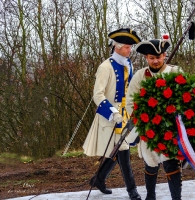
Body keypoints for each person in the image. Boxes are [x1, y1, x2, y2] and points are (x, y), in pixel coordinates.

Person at [82, 28, 142, 200]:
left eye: (130, 47)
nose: (130, 50)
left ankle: (98, 179)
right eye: (127, 47)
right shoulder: (105, 67)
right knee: (122, 151)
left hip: (126, 113)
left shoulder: (128, 64)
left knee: (116, 150)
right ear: (117, 47)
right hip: (110, 114)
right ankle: (132, 190)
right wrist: (113, 112)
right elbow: (97, 95)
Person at [125, 38, 182, 200]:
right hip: (148, 127)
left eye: (158, 57)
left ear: (164, 55)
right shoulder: (140, 76)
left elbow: (184, 98)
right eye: (151, 58)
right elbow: (130, 101)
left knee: (171, 164)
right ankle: (150, 196)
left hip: (170, 128)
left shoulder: (175, 72)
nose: (155, 61)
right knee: (151, 163)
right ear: (146, 58)